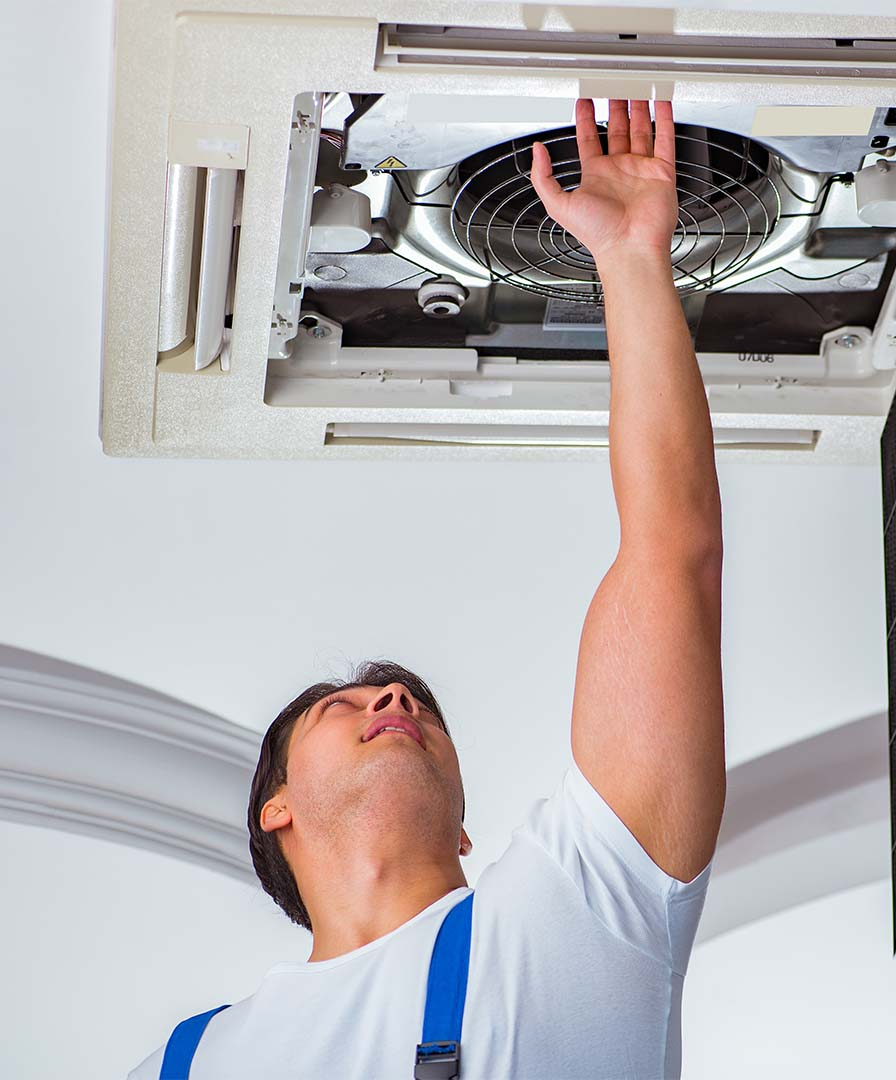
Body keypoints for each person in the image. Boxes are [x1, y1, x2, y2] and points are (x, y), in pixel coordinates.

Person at [128, 97, 725, 1080]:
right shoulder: (186, 1063)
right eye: (345, 703)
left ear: (461, 827)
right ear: (274, 807)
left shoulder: (577, 912)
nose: (396, 700)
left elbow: (673, 554)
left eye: (403, 703)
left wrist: (628, 258)